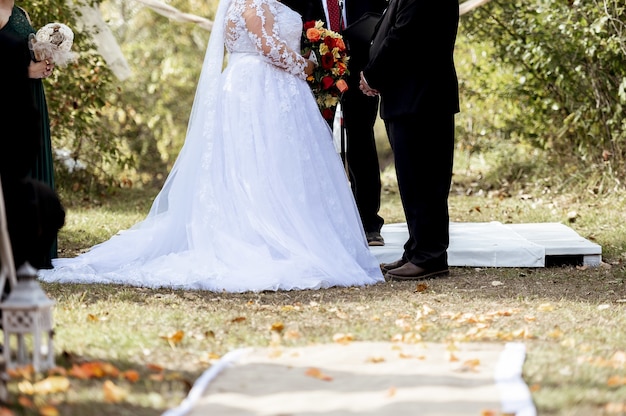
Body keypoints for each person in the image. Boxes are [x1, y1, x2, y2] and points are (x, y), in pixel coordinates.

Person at [38, 0, 384, 292]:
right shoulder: (254, 2)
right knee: (265, 165)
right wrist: (309, 66)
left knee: (263, 165)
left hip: (258, 87)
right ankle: (269, 234)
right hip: (263, 88)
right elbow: (268, 46)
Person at [359, 0, 460, 280]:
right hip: (409, 97)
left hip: (421, 97)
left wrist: (373, 75)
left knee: (425, 181)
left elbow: (404, 36)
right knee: (413, 181)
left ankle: (430, 256)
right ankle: (417, 250)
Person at [281, 0, 387, 247]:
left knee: (362, 141)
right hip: (314, 76)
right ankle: (320, 220)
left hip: (359, 73)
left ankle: (369, 223)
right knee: (316, 143)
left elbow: (383, 24)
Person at [0, 30, 65, 273]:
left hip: (27, 97)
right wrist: (26, 71)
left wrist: (43, 63)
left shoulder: (22, 13)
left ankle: (31, 251)